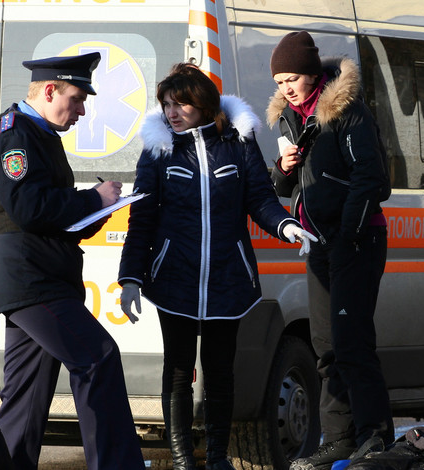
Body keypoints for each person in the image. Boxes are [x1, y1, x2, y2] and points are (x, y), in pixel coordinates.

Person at [118, 62, 316, 470]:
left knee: (220, 371)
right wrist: (131, 278)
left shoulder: (238, 143)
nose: (172, 112)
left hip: (227, 276)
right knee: (177, 370)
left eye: (181, 104)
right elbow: (141, 218)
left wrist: (285, 225)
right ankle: (182, 459)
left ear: (204, 105)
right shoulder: (158, 150)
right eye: (167, 105)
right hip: (174, 277)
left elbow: (259, 200)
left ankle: (218, 458)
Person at [0, 52, 144, 469]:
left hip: (37, 273)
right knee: (97, 357)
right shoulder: (15, 136)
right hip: (29, 278)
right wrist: (93, 199)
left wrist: (98, 210)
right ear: (49, 90)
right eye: (78, 98)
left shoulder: (37, 133)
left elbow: (51, 216)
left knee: (27, 393)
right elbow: (30, 209)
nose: (82, 110)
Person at [266, 31, 394, 469]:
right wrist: (283, 170)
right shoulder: (290, 119)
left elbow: (373, 178)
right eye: (280, 80)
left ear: (312, 74)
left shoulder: (344, 109)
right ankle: (338, 439)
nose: (286, 87)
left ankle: (375, 438)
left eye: (293, 78)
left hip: (358, 239)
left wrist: (349, 234)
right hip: (320, 243)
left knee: (352, 342)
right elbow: (284, 187)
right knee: (325, 345)